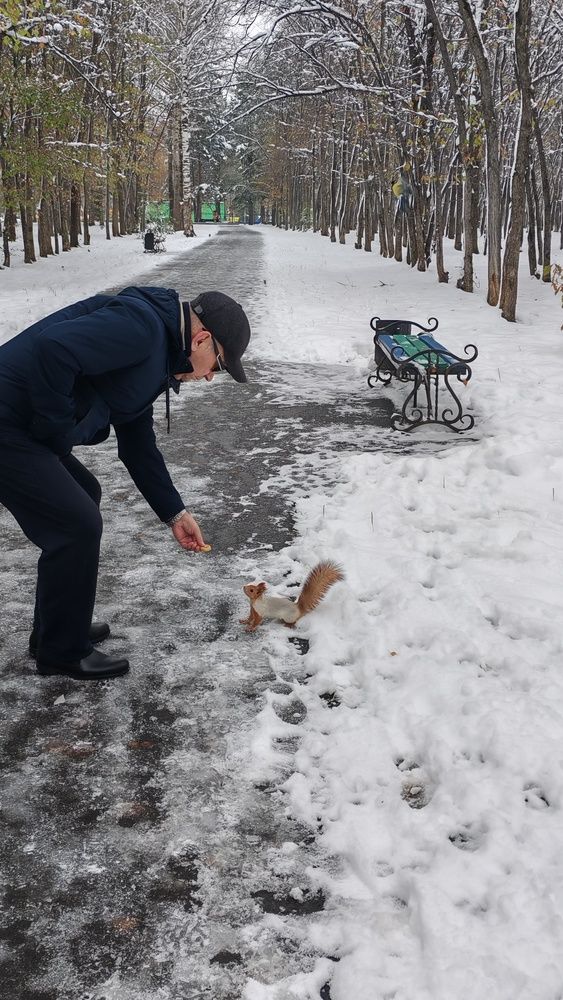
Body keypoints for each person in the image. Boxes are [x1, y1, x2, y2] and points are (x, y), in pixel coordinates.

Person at [0, 287, 251, 681]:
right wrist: (56, 431)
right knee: (76, 523)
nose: (206, 377)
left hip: (23, 425)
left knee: (85, 495)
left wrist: (174, 513)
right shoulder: (141, 327)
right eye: (216, 366)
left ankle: (57, 628)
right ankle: (60, 652)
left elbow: (138, 444)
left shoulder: (160, 354)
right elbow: (54, 349)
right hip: (8, 421)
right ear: (202, 339)